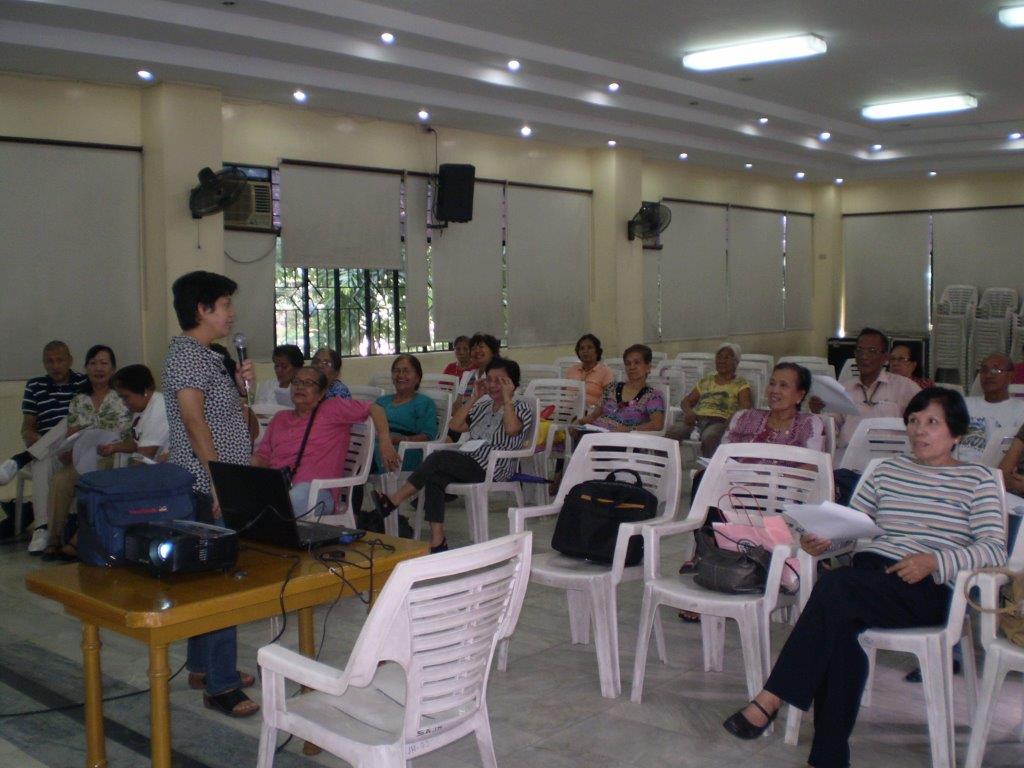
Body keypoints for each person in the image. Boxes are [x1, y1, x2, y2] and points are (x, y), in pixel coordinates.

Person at [722, 387, 1006, 768]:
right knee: (840, 631)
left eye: (932, 423)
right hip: (869, 578)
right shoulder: (887, 470)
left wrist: (936, 561)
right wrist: (825, 538)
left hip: (927, 588)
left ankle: (772, 697)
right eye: (914, 422)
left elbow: (994, 549)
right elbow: (854, 526)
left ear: (956, 433)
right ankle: (828, 757)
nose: (919, 431)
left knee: (835, 588)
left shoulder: (980, 479)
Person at [163, 270, 260, 718]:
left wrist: (242, 384)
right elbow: (194, 422)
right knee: (223, 582)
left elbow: (227, 414)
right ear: (202, 309)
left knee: (206, 577)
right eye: (224, 305)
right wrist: (219, 480)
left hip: (219, 478)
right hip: (209, 484)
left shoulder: (207, 356)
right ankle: (221, 685)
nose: (231, 313)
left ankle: (203, 666)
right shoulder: (187, 356)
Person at [679, 363, 824, 620]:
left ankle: (724, 570)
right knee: (705, 479)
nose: (775, 390)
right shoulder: (745, 417)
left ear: (800, 395)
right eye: (772, 383)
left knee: (721, 494)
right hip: (740, 490)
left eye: (784, 385)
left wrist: (770, 473)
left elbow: (811, 466)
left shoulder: (810, 423)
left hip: (784, 496)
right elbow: (726, 456)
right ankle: (711, 564)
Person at [373, 357, 533, 554]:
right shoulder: (483, 406)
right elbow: (455, 426)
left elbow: (511, 430)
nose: (492, 385)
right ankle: (437, 539)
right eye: (489, 379)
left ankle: (395, 499)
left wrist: (508, 400)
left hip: (493, 466)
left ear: (512, 384)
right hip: (468, 460)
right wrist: (474, 397)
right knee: (435, 477)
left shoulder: (521, 407)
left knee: (440, 457)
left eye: (499, 380)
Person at [253, 366, 399, 515]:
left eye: (308, 383)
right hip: (279, 487)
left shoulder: (332, 408)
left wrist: (385, 442)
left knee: (287, 503)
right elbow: (262, 457)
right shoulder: (280, 418)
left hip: (318, 492)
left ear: (321, 393)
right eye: (296, 382)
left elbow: (375, 409)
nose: (300, 387)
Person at [42, 345, 130, 560]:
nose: (98, 368)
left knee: (101, 479)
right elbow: (72, 436)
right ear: (85, 368)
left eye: (103, 363)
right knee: (59, 480)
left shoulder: (122, 397)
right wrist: (68, 451)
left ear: (113, 368)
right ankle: (53, 539)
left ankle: (80, 540)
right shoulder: (78, 400)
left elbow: (131, 434)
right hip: (83, 460)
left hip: (113, 459)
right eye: (92, 363)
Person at [0, 341, 87, 553]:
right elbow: (27, 428)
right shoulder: (35, 386)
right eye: (50, 361)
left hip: (76, 446)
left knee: (69, 419)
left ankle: (20, 459)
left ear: (70, 361)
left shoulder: (83, 383)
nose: (55, 366)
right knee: (42, 460)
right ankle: (42, 527)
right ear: (44, 364)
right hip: (47, 450)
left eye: (60, 360)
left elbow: (85, 419)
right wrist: (34, 438)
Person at [811, 327, 919, 450]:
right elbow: (830, 428)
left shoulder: (905, 387)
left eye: (872, 351)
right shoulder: (844, 389)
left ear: (885, 357)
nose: (864, 356)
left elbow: (922, 423)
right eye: (860, 350)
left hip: (889, 459)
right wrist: (817, 413)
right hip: (848, 457)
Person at [670, 342, 752, 457]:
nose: (722, 361)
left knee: (710, 437)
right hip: (696, 419)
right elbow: (686, 401)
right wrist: (689, 412)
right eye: (719, 357)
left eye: (727, 357)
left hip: (719, 421)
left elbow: (745, 409)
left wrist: (731, 421)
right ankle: (665, 468)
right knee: (672, 433)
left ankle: (708, 471)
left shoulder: (741, 384)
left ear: (736, 362)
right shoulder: (707, 380)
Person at [576, 344, 665, 433]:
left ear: (648, 367)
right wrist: (579, 422)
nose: (632, 367)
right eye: (628, 363)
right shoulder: (612, 388)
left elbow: (657, 424)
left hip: (623, 442)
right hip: (597, 434)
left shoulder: (652, 395)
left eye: (637, 362)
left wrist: (629, 430)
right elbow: (593, 416)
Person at [374, 354, 437, 472]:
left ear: (418, 377)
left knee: (374, 450)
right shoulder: (382, 401)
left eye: (406, 371)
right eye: (397, 371)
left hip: (407, 450)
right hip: (379, 442)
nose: (401, 375)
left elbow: (428, 435)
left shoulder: (424, 403)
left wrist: (399, 440)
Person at [959, 352, 1024, 463]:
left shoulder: (1021, 410)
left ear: (1011, 375)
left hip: (998, 473)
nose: (988, 375)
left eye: (996, 370)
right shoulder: (963, 405)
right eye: (984, 370)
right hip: (957, 469)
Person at [98, 364, 170, 462]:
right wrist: (114, 448)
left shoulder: (159, 409)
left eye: (126, 397)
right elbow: (138, 442)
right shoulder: (141, 407)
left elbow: (143, 458)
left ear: (144, 391)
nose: (123, 402)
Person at [565, 333, 615, 408]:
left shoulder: (606, 372)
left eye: (589, 347)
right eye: (582, 348)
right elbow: (562, 394)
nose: (585, 351)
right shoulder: (571, 370)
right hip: (567, 412)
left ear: (597, 351)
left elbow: (609, 400)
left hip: (592, 414)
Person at [454, 333, 500, 411]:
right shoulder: (467, 375)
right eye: (473, 348)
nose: (477, 351)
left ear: (492, 351)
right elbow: (457, 405)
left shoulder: (500, 375)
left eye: (481, 347)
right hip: (466, 420)